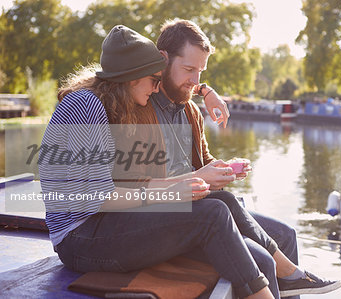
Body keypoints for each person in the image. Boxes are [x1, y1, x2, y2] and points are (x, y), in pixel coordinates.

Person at [38, 24, 282, 298]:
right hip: (79, 238)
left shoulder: (110, 102)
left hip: (104, 223)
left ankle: (283, 276)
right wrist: (169, 191)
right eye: (154, 79)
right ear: (132, 78)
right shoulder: (87, 105)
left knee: (220, 203)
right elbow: (97, 198)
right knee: (213, 216)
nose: (156, 89)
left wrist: (204, 91)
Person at [129, 19, 341, 298]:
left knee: (286, 234)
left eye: (201, 72)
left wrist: (223, 170)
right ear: (163, 59)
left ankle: (292, 279)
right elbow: (139, 186)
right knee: (261, 258)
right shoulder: (140, 105)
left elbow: (204, 163)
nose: (194, 81)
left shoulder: (191, 112)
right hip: (169, 214)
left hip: (199, 205)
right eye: (189, 70)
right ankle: (290, 275)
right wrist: (206, 91)